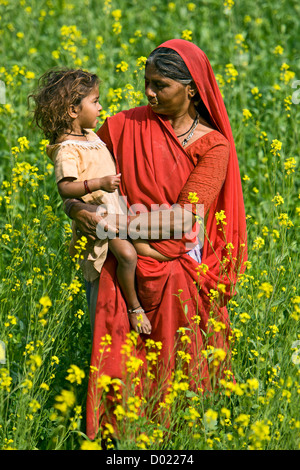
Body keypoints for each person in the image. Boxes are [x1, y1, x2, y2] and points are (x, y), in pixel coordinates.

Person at [65, 39, 248, 442]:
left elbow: (185, 218)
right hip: (119, 271)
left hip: (179, 274)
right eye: (146, 82)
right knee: (119, 375)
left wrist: (112, 225)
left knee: (177, 378)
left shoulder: (212, 144)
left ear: (192, 89)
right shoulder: (121, 126)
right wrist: (80, 212)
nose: (148, 92)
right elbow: (78, 189)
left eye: (160, 85)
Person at [29, 68, 152, 335]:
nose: (100, 107)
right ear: (73, 110)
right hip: (101, 219)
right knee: (129, 255)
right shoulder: (66, 149)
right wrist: (99, 183)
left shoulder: (90, 136)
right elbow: (65, 188)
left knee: (145, 249)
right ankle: (134, 308)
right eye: (95, 102)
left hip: (118, 213)